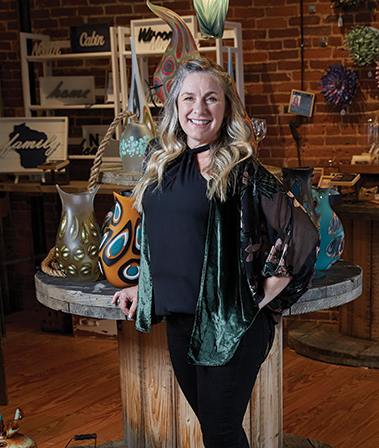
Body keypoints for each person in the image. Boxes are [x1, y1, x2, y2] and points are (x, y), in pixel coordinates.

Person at [112, 58, 319, 448]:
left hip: (230, 326)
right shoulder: (162, 163)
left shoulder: (240, 169)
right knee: (216, 430)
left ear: (227, 109)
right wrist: (145, 290)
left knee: (220, 433)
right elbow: (165, 240)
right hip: (180, 321)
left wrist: (256, 297)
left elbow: (301, 232)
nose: (199, 109)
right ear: (176, 106)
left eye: (211, 98)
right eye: (189, 98)